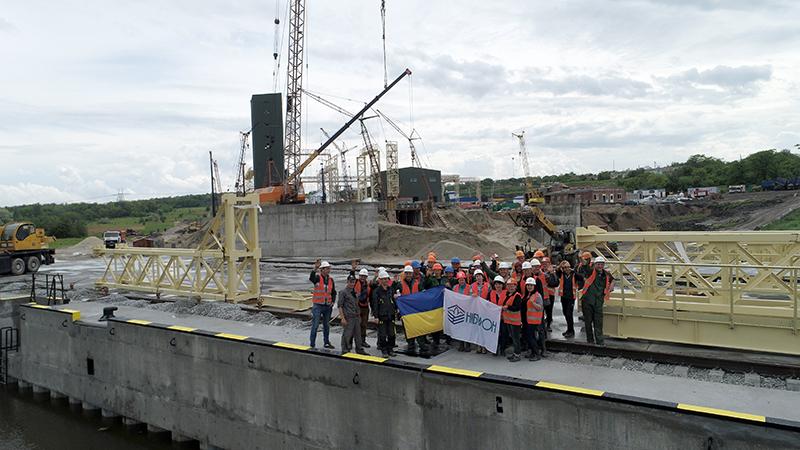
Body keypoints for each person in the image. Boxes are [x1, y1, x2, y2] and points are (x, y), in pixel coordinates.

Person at [581, 256, 615, 345]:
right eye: (598, 264)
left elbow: (612, 279)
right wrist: (580, 256)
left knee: (598, 323)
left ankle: (600, 342)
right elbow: (585, 264)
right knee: (588, 322)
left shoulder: (606, 274)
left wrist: (612, 284)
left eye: (601, 264)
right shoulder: (591, 271)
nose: (600, 266)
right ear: (595, 264)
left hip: (598, 302)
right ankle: (590, 341)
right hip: (588, 300)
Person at [309, 259, 336, 349]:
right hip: (318, 305)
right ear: (322, 269)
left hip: (327, 306)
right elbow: (311, 278)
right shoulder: (317, 278)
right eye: (327, 269)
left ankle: (326, 342)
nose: (329, 270)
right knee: (315, 325)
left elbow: (333, 292)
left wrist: (333, 301)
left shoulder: (331, 280)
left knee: (326, 325)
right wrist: (315, 268)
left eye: (329, 269)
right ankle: (312, 343)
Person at [338, 275, 367, 355]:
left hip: (356, 316)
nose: (352, 284)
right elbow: (340, 306)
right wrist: (342, 318)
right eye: (350, 282)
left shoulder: (355, 292)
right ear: (347, 282)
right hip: (348, 317)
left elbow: (356, 305)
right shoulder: (343, 292)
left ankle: (359, 349)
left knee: (358, 334)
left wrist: (359, 315)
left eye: (353, 282)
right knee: (347, 334)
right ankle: (345, 350)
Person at [372, 270, 398, 357]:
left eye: (387, 279)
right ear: (381, 280)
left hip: (391, 315)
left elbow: (394, 302)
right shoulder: (377, 291)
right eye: (385, 279)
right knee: (382, 335)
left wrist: (396, 310)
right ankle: (384, 351)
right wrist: (376, 317)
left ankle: (390, 349)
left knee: (392, 334)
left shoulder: (391, 290)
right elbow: (375, 305)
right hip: (382, 316)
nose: (386, 280)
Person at [556, 260, 581, 338]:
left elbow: (582, 278)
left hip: (571, 298)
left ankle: (571, 330)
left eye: (566, 268)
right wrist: (560, 266)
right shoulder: (562, 274)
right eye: (563, 268)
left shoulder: (574, 274)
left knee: (569, 314)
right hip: (563, 297)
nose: (565, 269)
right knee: (565, 313)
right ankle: (569, 329)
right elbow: (557, 271)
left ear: (569, 267)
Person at [501, 280, 523, 362]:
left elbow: (518, 307)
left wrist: (508, 307)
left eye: (512, 286)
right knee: (513, 338)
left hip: (514, 321)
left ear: (515, 287)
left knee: (515, 338)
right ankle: (515, 353)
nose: (510, 288)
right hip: (508, 320)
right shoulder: (508, 295)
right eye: (509, 286)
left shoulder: (517, 296)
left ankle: (517, 354)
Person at [522, 277, 543, 361]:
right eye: (528, 285)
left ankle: (536, 353)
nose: (529, 287)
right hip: (526, 319)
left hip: (533, 320)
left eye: (531, 285)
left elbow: (540, 308)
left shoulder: (537, 295)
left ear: (534, 286)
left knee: (529, 336)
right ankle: (533, 352)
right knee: (532, 336)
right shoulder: (526, 294)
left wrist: (533, 303)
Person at [489, 276, 508, 356]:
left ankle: (503, 349)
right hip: (494, 318)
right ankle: (495, 349)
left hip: (503, 318)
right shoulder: (491, 293)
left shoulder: (506, 293)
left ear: (502, 285)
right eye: (496, 284)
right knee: (495, 334)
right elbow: (487, 303)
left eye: (499, 284)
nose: (498, 286)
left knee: (504, 333)